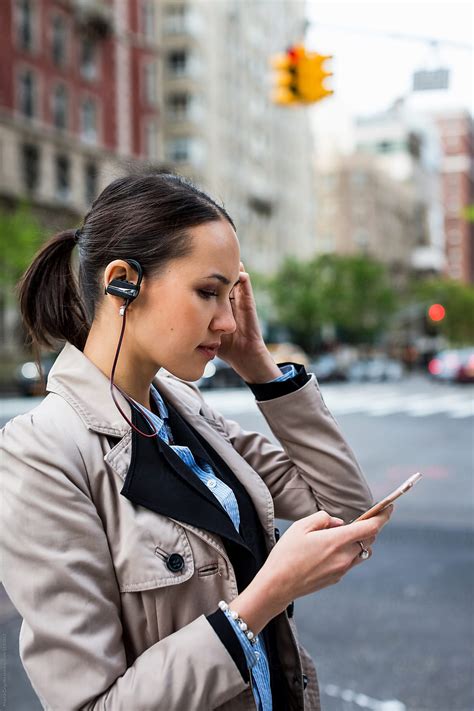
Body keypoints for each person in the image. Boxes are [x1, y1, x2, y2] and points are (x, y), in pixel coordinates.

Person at [0, 173, 392, 711]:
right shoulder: (43, 454)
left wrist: (259, 366)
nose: (228, 321)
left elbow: (349, 514)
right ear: (123, 283)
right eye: (209, 292)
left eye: (232, 296)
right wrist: (261, 601)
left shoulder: (184, 409)